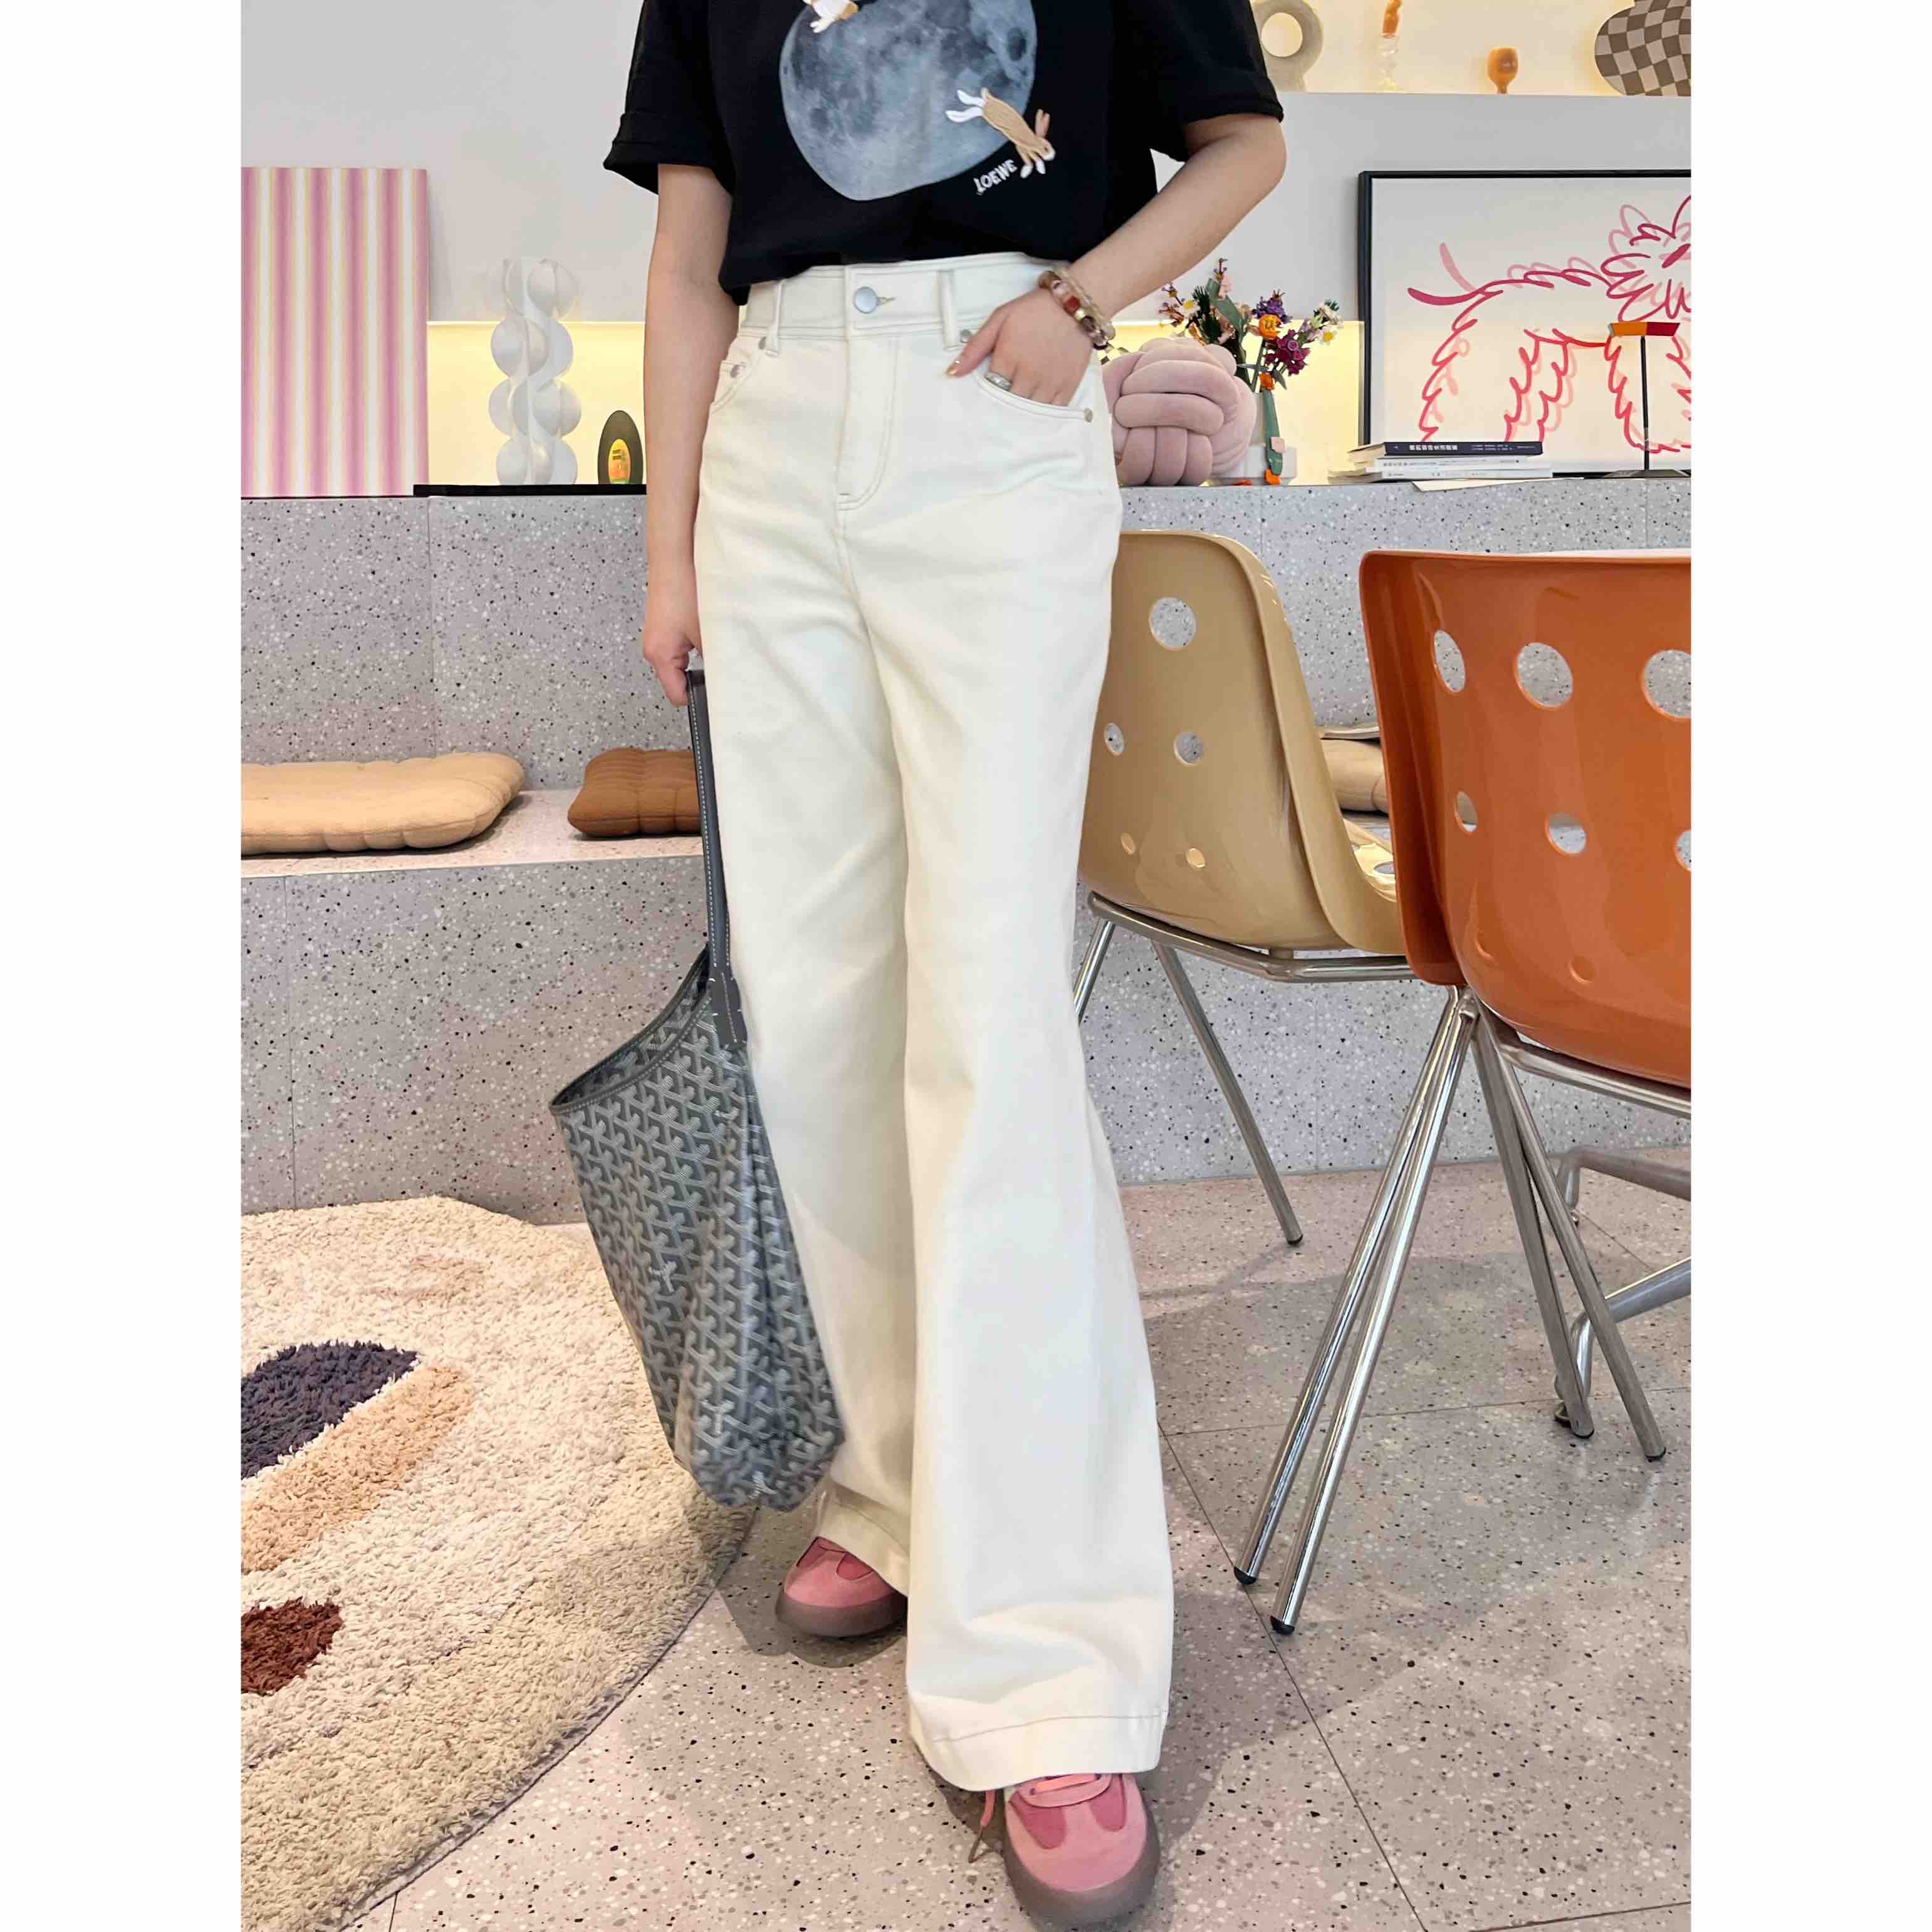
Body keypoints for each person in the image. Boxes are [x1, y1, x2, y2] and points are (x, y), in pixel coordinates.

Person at [609, 4, 1284, 1919]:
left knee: (985, 1024)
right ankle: (894, 1493)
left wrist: (1084, 296)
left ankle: (1048, 1660)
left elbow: (1244, 144)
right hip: (772, 438)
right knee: (821, 1024)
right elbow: (686, 250)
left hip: (995, 399)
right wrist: (667, 553)